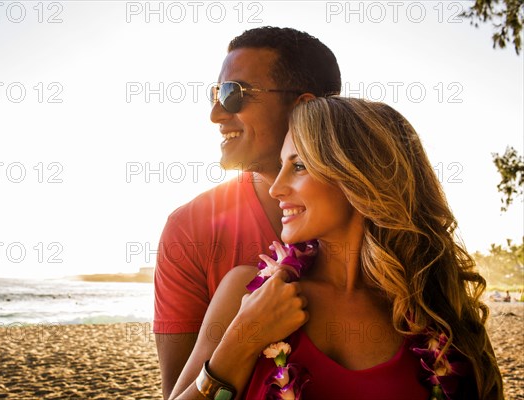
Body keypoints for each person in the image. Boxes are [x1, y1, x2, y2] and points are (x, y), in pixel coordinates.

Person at [168, 97, 504, 399]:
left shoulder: (439, 313)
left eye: (298, 166)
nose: (277, 189)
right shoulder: (247, 294)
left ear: (359, 176)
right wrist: (241, 340)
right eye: (282, 165)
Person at [153, 26, 341, 398]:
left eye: (233, 94)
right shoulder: (190, 229)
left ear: (303, 106)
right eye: (215, 93)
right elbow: (177, 391)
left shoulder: (379, 225)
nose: (215, 114)